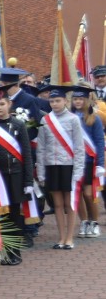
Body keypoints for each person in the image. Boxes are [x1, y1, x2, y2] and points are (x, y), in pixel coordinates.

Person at [0, 85, 34, 265]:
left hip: (16, 175)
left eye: (2, 103)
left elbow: (27, 154)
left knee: (15, 214)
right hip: (0, 177)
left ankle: (16, 252)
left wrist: (28, 180)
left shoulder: (19, 125)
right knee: (2, 216)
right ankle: (5, 251)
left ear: (9, 104)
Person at [36, 86, 85, 249]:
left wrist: (78, 171)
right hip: (51, 166)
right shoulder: (45, 120)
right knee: (56, 204)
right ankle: (61, 238)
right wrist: (41, 172)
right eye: (51, 101)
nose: (55, 104)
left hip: (68, 166)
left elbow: (79, 147)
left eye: (58, 101)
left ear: (65, 101)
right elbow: (41, 147)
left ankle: (70, 238)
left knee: (69, 203)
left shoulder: (73, 119)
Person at [69, 85, 104, 238]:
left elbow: (99, 142)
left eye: (80, 99)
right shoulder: (69, 117)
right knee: (78, 193)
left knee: (89, 194)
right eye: (75, 99)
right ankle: (84, 221)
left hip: (89, 161)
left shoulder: (94, 118)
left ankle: (94, 222)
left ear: (86, 100)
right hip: (73, 161)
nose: (78, 101)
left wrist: (101, 164)